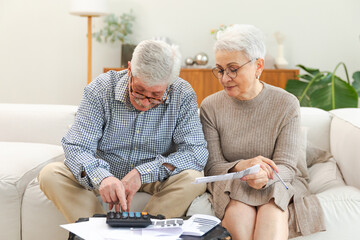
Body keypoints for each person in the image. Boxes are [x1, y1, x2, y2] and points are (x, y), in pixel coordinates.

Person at [38, 39, 208, 223]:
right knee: (50, 174)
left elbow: (195, 152)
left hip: (154, 176)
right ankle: (99, 232)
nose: (144, 102)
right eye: (139, 91)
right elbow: (77, 147)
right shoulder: (101, 89)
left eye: (156, 96)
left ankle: (145, 232)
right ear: (129, 70)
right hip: (104, 171)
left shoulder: (183, 94)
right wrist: (102, 177)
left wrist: (142, 173)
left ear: (170, 84)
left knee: (193, 178)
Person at [200, 24, 325, 240]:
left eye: (233, 69)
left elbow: (286, 166)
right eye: (220, 70)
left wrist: (264, 176)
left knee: (272, 210)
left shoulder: (286, 103)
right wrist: (242, 166)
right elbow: (212, 166)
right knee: (241, 216)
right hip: (232, 182)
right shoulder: (210, 106)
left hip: (278, 180)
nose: (224, 78)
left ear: (258, 66)